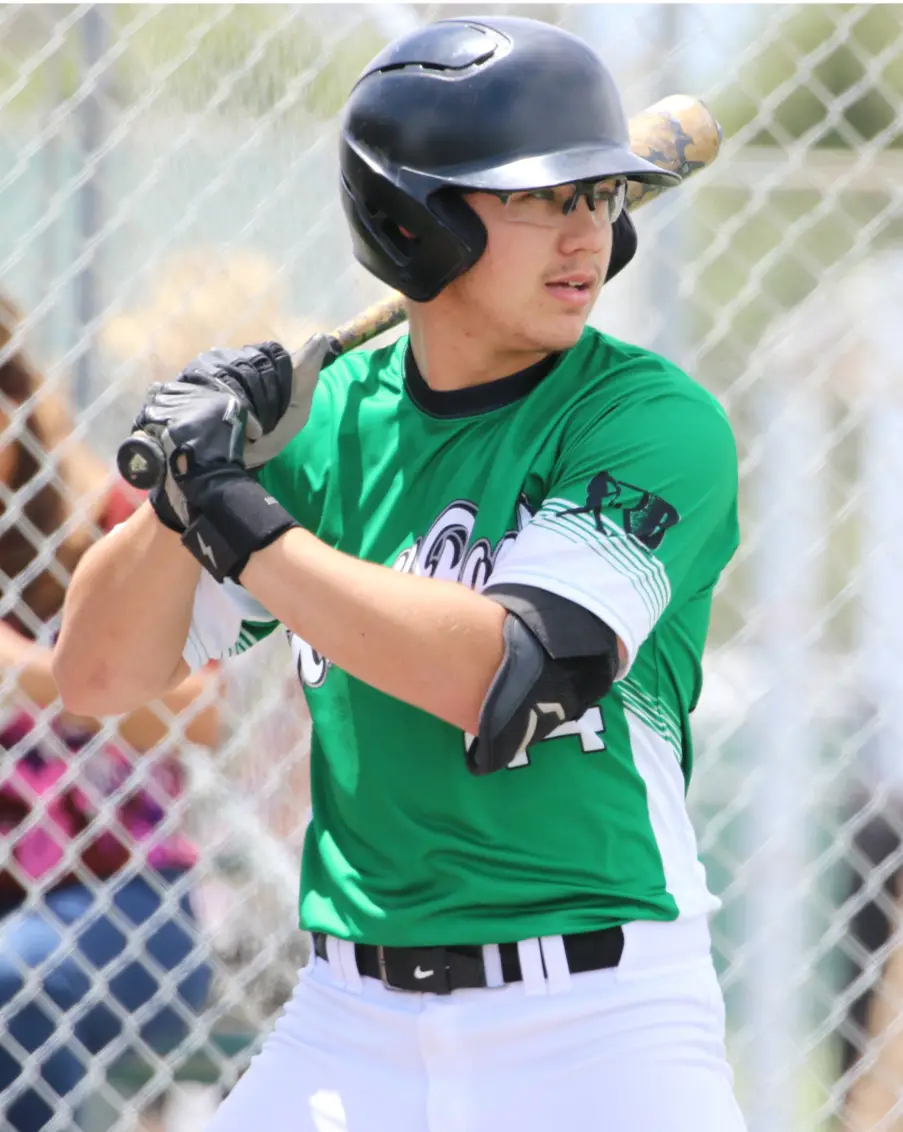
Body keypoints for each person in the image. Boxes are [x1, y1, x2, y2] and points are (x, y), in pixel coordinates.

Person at [53, 15, 747, 1132]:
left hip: (597, 1024)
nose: (587, 236)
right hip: (349, 1021)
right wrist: (187, 489)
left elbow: (507, 677)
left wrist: (239, 515)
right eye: (540, 199)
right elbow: (94, 676)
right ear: (412, 220)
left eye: (598, 197)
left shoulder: (648, 418)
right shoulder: (326, 429)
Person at [0, 294, 218, 1131]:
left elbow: (200, 714)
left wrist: (22, 672)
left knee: (15, 980)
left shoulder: (102, 523)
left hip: (124, 898)